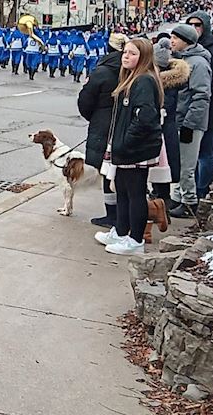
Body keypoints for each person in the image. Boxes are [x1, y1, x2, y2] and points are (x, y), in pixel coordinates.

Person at [95, 36, 163, 256]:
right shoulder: (131, 79)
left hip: (136, 149)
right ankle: (121, 231)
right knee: (122, 191)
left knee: (135, 193)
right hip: (126, 148)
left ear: (143, 58)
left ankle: (135, 240)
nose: (126, 56)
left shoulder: (143, 81)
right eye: (125, 52)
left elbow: (145, 118)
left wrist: (125, 142)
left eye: (133, 53)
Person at [77, 33, 127, 228]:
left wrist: (96, 117)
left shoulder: (102, 71)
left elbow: (85, 101)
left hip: (104, 126)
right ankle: (121, 215)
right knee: (124, 174)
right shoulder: (133, 70)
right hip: (125, 125)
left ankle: (112, 215)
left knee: (107, 172)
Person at [186, 10, 213, 208]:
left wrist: (198, 84)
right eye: (191, 25)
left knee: (205, 152)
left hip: (210, 109)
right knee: (189, 155)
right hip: (188, 110)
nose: (194, 28)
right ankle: (189, 192)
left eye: (198, 25)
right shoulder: (186, 48)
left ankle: (201, 191)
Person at [166, 23, 211, 218]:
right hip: (179, 119)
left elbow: (201, 96)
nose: (172, 41)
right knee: (178, 163)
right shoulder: (181, 59)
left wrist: (189, 124)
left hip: (190, 123)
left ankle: (190, 202)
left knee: (187, 166)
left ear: (186, 41)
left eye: (175, 38)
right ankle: (177, 198)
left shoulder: (198, 64)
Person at [153, 37, 189, 203]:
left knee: (160, 166)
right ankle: (161, 198)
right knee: (164, 167)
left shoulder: (160, 83)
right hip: (170, 128)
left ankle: (161, 202)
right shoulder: (178, 80)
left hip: (162, 129)